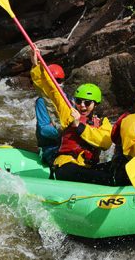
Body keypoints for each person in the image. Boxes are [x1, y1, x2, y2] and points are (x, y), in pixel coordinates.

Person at [30, 51, 115, 186]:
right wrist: (36, 66)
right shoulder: (69, 113)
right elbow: (52, 91)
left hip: (86, 166)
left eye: (87, 103)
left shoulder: (103, 122)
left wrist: (79, 126)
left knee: (114, 170)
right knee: (102, 177)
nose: (82, 106)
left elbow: (105, 143)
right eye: (79, 101)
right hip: (65, 165)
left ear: (95, 104)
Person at [35, 63, 66, 166]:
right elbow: (44, 130)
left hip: (65, 145)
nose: (56, 84)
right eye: (53, 81)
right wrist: (65, 130)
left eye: (58, 81)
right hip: (48, 148)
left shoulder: (68, 99)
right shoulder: (42, 101)